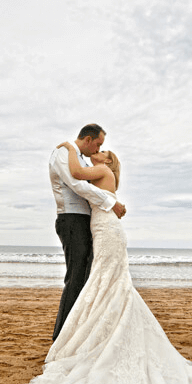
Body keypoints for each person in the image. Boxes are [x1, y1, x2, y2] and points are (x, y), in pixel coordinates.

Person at [21, 141, 192, 384]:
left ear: (108, 162)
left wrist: (68, 147)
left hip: (106, 229)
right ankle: (93, 333)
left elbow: (74, 172)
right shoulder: (102, 173)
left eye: (103, 151)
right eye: (98, 147)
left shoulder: (98, 169)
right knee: (106, 283)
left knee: (105, 281)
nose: (99, 151)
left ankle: (86, 336)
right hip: (104, 227)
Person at [48, 124, 127, 341]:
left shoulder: (84, 159)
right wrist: (111, 202)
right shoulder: (63, 153)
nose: (98, 149)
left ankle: (79, 334)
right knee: (75, 279)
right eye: (99, 145)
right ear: (89, 139)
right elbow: (77, 184)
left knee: (86, 279)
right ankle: (61, 338)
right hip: (72, 221)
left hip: (89, 223)